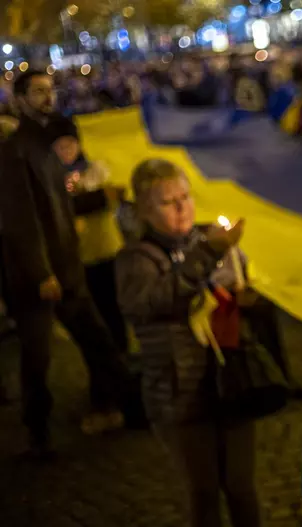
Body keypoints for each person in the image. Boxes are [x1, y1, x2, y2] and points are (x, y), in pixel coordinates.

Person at [115, 159, 262, 527]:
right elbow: (157, 300)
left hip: (232, 382)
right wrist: (208, 254)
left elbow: (240, 293)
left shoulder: (206, 240)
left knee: (243, 487)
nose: (183, 207)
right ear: (146, 211)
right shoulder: (135, 259)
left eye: (185, 196)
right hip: (180, 394)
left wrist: (244, 287)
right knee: (204, 492)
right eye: (168, 201)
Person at [0, 70, 137, 456]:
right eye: (38, 92)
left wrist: (99, 200)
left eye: (50, 90)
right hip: (41, 278)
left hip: (67, 268)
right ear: (21, 98)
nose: (47, 97)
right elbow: (20, 218)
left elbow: (58, 206)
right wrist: (40, 272)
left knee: (100, 343)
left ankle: (131, 405)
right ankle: (37, 432)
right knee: (37, 358)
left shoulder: (44, 143)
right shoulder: (15, 150)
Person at [48, 117, 128, 354]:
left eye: (70, 144)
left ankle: (121, 348)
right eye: (59, 147)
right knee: (93, 308)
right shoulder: (51, 178)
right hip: (78, 256)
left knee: (113, 304)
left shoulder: (96, 169)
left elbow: (110, 196)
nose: (66, 151)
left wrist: (83, 198)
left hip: (106, 249)